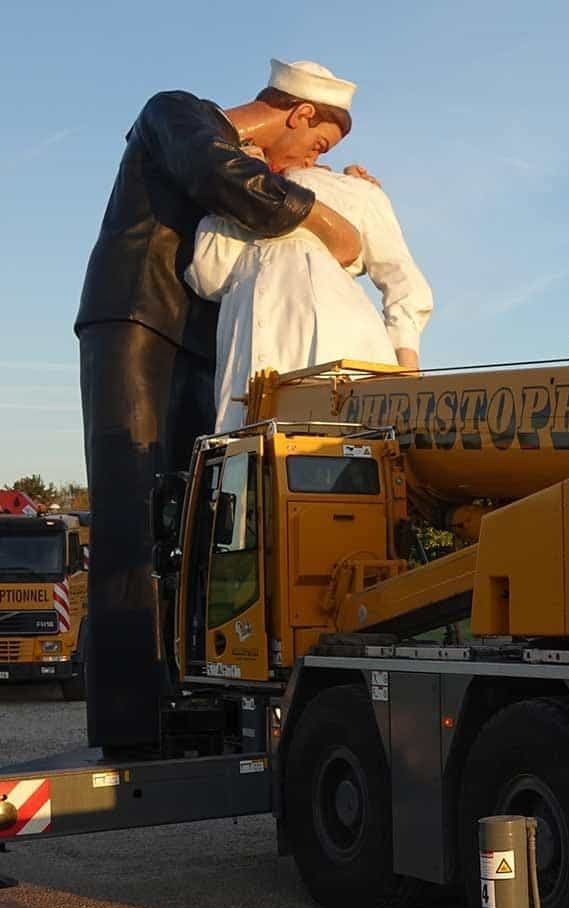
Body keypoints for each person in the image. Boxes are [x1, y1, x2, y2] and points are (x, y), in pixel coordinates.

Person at [75, 58, 367, 755]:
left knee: (190, 516)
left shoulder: (242, 159)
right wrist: (328, 214)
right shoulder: (176, 112)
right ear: (296, 113)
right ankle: (129, 718)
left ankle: (185, 700)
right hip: (135, 319)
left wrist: (342, 190)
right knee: (130, 511)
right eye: (318, 146)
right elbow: (231, 182)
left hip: (196, 341)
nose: (311, 160)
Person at [188, 157, 433, 433]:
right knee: (247, 453)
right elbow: (209, 277)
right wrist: (236, 191)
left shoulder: (352, 190)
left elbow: (403, 282)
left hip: (332, 336)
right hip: (246, 342)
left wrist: (409, 381)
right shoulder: (231, 198)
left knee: (333, 444)